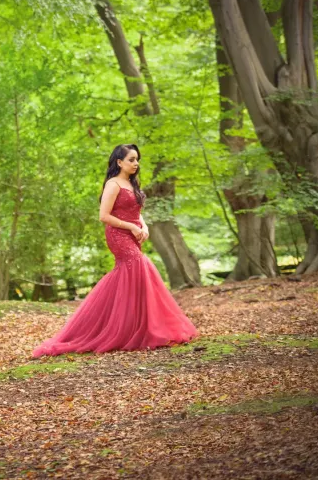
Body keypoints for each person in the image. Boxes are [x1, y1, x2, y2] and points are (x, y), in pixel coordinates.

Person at [33, 144, 198, 357]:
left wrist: (144, 226)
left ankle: (137, 326)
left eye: (137, 159)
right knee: (139, 266)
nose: (136, 163)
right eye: (131, 159)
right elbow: (104, 216)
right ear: (119, 162)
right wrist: (131, 227)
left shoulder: (132, 183)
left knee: (131, 275)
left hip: (134, 234)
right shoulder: (113, 184)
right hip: (119, 235)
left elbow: (136, 212)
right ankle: (119, 329)